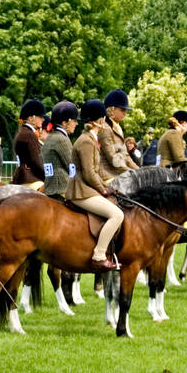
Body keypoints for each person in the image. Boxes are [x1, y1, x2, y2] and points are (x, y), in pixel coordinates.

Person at [66, 99, 121, 271]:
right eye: (103, 117)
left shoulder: (90, 139)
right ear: (98, 120)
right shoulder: (86, 142)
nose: (104, 120)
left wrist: (107, 186)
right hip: (81, 191)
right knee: (117, 215)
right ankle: (99, 254)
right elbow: (89, 174)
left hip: (86, 188)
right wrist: (103, 189)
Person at [39, 101, 79, 201]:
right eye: (74, 120)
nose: (76, 123)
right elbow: (72, 166)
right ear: (65, 123)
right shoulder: (61, 139)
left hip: (49, 187)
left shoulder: (51, 137)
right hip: (61, 189)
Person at [99, 89, 140, 181]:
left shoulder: (117, 127)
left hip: (117, 173)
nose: (125, 113)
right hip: (107, 175)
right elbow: (112, 158)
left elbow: (126, 156)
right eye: (122, 110)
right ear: (112, 109)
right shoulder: (105, 128)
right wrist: (133, 173)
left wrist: (140, 171)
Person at [12, 99, 46, 187]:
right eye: (40, 117)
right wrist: (47, 176)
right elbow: (37, 162)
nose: (43, 119)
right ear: (31, 118)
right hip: (30, 178)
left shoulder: (22, 131)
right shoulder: (30, 135)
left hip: (21, 176)